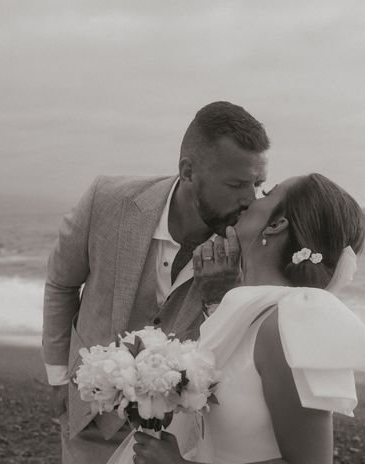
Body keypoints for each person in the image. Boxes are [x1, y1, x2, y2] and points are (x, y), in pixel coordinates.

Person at [42, 101, 270, 464]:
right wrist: (57, 375)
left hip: (179, 438)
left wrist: (221, 294)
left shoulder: (251, 246)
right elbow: (61, 282)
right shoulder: (107, 199)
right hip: (89, 415)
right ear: (188, 171)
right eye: (236, 184)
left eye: (258, 184)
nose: (250, 199)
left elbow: (240, 350)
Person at [132, 173, 365, 464]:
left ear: (276, 224)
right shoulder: (242, 312)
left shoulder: (289, 323)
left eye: (268, 193)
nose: (252, 198)